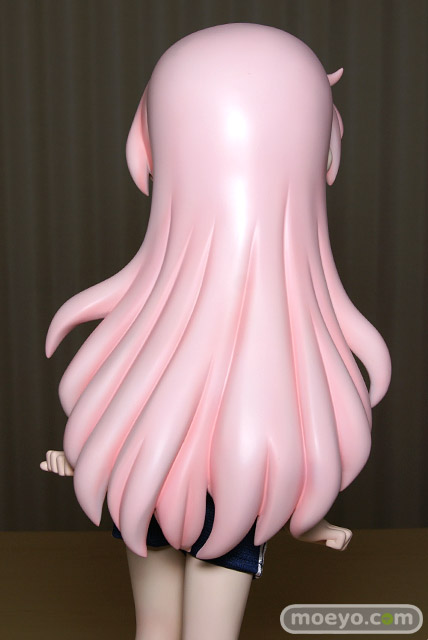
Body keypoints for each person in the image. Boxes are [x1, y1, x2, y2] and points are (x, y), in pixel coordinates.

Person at [41, 23, 391, 639]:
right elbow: (292, 449)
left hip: (149, 494)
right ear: (321, 155)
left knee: (157, 629)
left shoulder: (153, 319)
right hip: (209, 507)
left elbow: (128, 410)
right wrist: (312, 524)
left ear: (153, 148)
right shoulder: (292, 340)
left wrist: (84, 454)